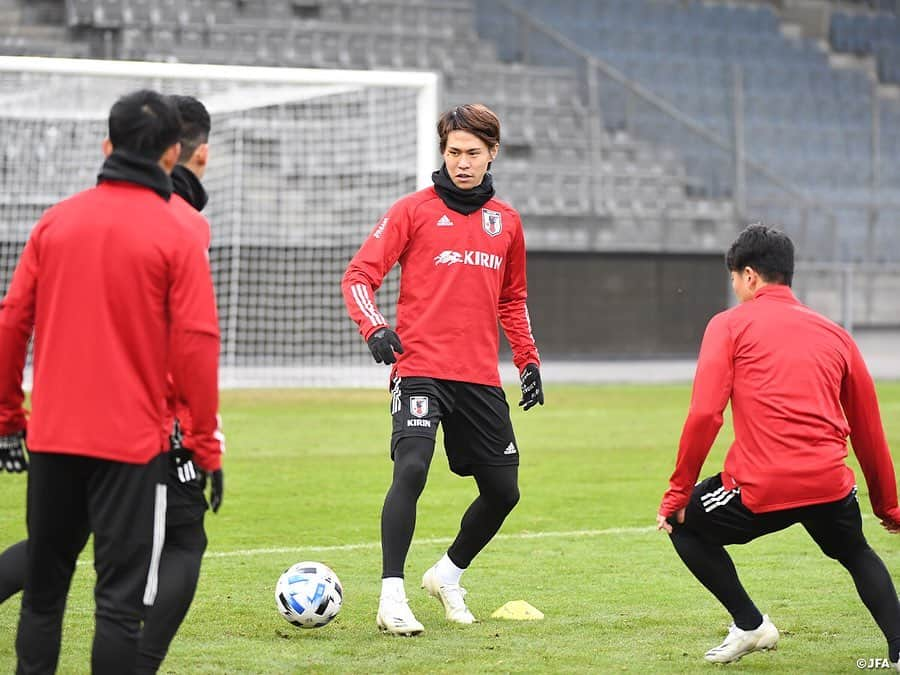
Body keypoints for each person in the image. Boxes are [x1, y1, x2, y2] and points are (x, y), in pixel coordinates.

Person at [0, 93, 224, 675]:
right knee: (119, 608)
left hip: (52, 439)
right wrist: (204, 445)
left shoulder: (56, 220)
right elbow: (197, 343)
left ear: (107, 145)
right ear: (175, 152)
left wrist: (9, 420)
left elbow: (10, 325)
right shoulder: (179, 231)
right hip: (130, 448)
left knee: (45, 594)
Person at [342, 103, 543, 636]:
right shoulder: (412, 210)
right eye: (454, 152)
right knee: (411, 467)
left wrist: (527, 359)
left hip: (477, 375)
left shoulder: (508, 223)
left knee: (504, 492)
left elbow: (513, 299)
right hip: (420, 368)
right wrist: (375, 328)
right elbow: (360, 275)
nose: (462, 162)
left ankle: (447, 574)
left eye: (473, 153)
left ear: (492, 154)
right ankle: (392, 597)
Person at [656, 223, 900, 665]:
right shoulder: (837, 334)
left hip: (762, 487)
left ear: (749, 276)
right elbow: (868, 428)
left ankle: (750, 625)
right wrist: (889, 507)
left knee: (683, 522)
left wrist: (676, 492)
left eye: (734, 278)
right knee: (857, 552)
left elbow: (706, 414)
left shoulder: (728, 325)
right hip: (829, 483)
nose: (734, 287)